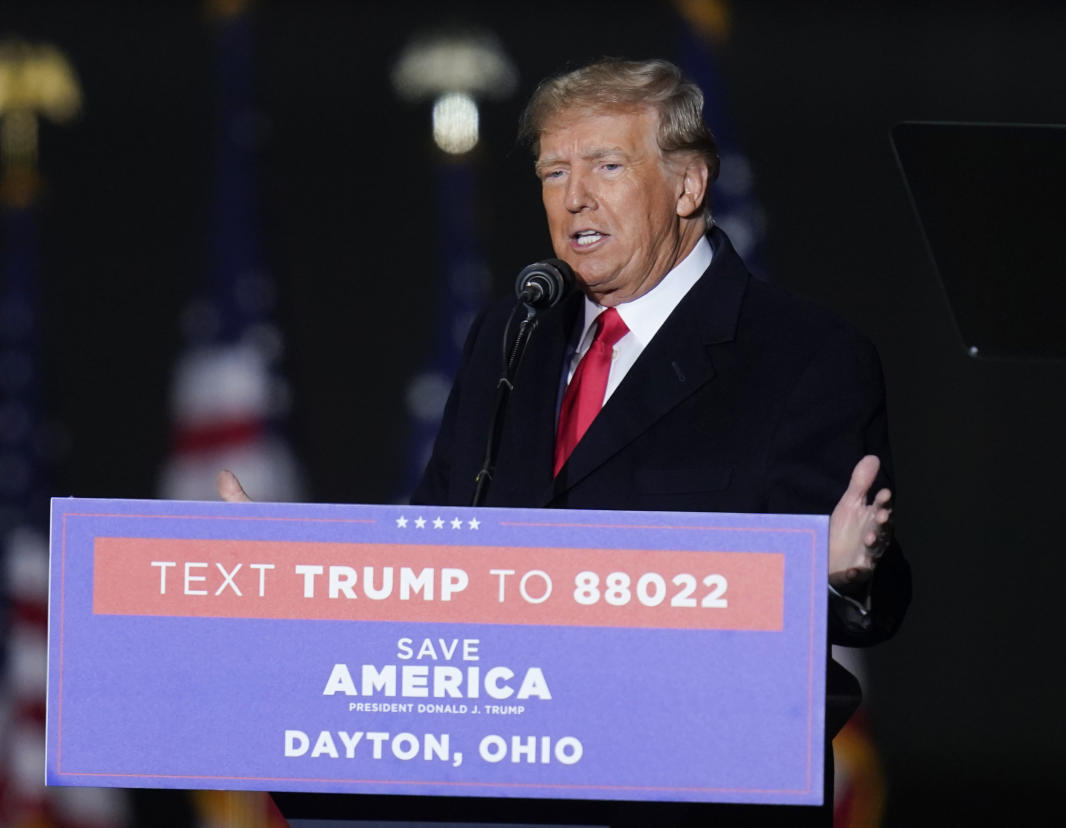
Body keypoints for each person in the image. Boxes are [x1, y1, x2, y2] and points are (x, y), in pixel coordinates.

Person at [222, 57, 909, 826]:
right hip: (499, 786)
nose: (574, 197)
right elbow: (432, 561)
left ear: (689, 185)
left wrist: (836, 578)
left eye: (606, 166)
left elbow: (853, 601)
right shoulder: (511, 337)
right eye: (553, 173)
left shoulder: (801, 355)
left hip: (693, 796)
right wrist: (278, 573)